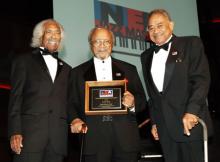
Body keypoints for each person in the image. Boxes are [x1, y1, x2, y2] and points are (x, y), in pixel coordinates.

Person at [140, 9, 213, 162]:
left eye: (160, 25)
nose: (155, 30)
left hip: (189, 124)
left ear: (171, 25)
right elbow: (153, 96)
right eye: (151, 27)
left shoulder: (191, 43)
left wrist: (192, 112)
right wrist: (154, 122)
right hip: (164, 129)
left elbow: (201, 80)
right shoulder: (145, 56)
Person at [68, 27, 147, 162]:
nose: (102, 46)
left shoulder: (129, 69)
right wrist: (74, 119)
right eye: (97, 41)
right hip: (93, 139)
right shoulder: (77, 73)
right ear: (91, 44)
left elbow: (142, 101)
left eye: (106, 41)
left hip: (125, 139)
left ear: (112, 44)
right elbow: (70, 102)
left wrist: (133, 103)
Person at [8, 19, 71, 162]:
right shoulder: (23, 61)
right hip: (29, 138)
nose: (54, 36)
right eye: (49, 32)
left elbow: (69, 102)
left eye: (57, 33)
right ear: (40, 36)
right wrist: (15, 131)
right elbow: (15, 99)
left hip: (57, 142)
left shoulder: (68, 69)